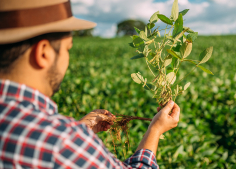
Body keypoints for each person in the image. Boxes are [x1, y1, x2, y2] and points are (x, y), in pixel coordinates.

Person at [0, 0, 181, 168]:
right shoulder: (61, 142)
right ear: (43, 53)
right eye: (68, 49)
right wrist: (155, 130)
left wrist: (79, 129)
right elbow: (56, 146)